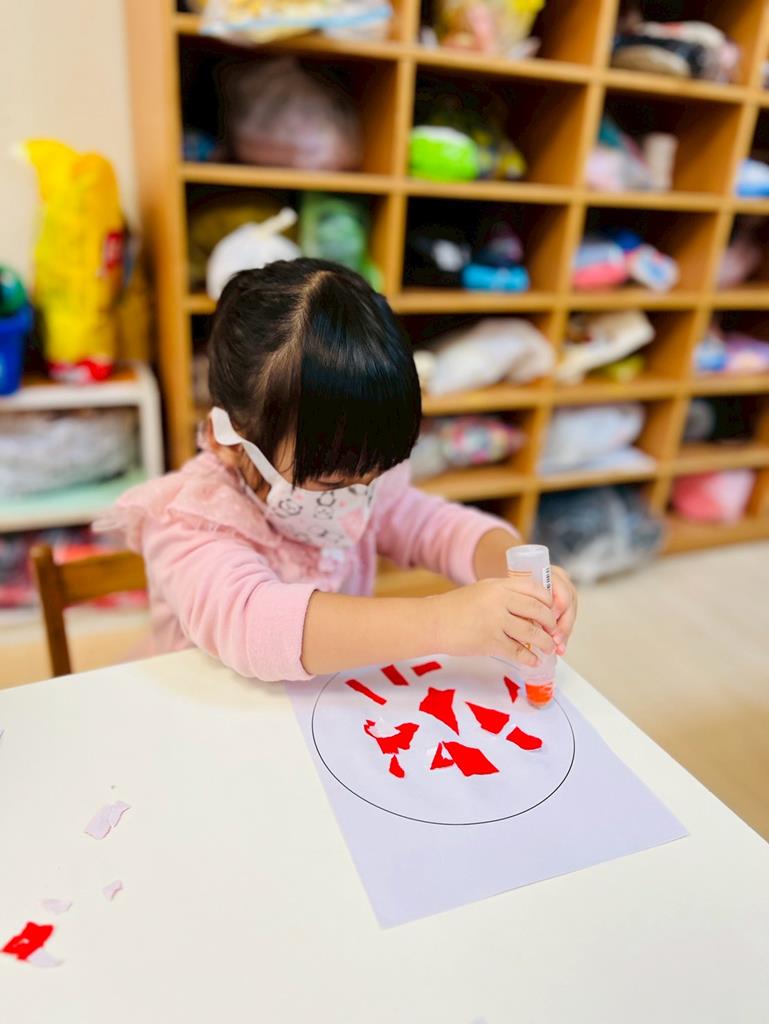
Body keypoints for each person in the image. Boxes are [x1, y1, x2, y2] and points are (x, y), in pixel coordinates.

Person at [100, 259, 577, 681]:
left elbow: (429, 524)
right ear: (228, 441)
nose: (360, 496)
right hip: (208, 713)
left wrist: (516, 572)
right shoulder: (190, 517)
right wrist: (442, 621)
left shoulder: (361, 479)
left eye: (375, 474)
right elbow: (252, 623)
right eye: (333, 483)